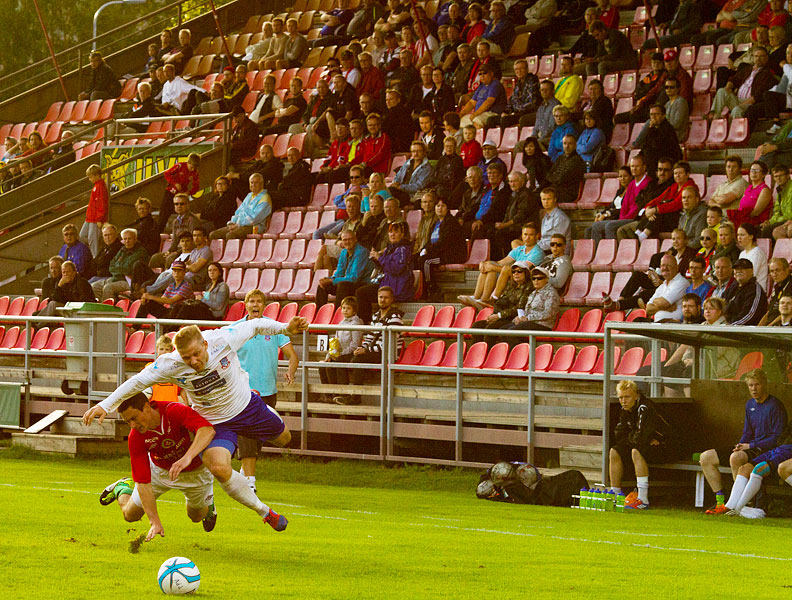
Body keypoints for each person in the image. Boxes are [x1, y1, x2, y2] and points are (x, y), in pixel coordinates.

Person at [84, 315, 310, 532]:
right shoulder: (170, 365)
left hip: (247, 408)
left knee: (285, 440)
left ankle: (266, 411)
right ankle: (265, 512)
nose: (193, 361)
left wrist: (285, 328)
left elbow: (255, 325)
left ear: (205, 343)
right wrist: (105, 405)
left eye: (196, 354)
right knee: (220, 468)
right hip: (215, 422)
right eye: (186, 358)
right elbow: (136, 382)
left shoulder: (223, 339)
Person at [97, 393, 217, 542]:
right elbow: (142, 482)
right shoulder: (135, 437)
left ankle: (209, 505)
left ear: (146, 407)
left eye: (134, 418)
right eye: (128, 422)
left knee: (196, 516)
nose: (132, 425)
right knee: (130, 515)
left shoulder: (174, 411)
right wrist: (155, 522)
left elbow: (207, 430)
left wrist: (187, 458)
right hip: (160, 472)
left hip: (196, 472)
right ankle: (122, 487)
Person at [235, 289, 299, 492]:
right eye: (251, 301)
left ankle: (242, 477)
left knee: (260, 434)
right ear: (245, 304)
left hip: (268, 390)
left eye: (259, 302)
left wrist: (290, 370)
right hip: (244, 391)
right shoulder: (236, 329)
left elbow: (292, 356)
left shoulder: (274, 328)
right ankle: (250, 483)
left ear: (264, 306)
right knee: (246, 431)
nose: (255, 305)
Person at [700, 368, 788, 515]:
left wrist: (750, 446)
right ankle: (721, 502)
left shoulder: (775, 406)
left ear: (765, 384)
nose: (754, 389)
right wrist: (740, 445)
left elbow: (777, 439)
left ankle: (742, 503)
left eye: (757, 385)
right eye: (751, 385)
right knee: (706, 457)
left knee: (735, 458)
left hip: (766, 449)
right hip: (751, 446)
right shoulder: (750, 405)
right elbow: (747, 431)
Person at [609, 379, 677, 510]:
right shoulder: (625, 409)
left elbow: (642, 436)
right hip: (645, 444)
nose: (623, 401)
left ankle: (643, 499)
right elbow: (619, 434)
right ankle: (615, 495)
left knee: (636, 450)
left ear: (636, 396)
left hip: (667, 446)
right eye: (621, 397)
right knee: (614, 451)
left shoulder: (645, 407)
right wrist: (634, 438)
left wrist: (640, 438)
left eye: (627, 397)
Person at [340, 286, 403, 405]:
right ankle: (343, 394)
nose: (383, 300)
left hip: (387, 353)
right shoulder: (376, 316)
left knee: (358, 359)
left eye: (386, 298)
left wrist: (366, 351)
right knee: (341, 359)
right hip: (373, 351)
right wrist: (362, 348)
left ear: (392, 300)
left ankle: (356, 397)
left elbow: (387, 344)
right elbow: (369, 336)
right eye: (380, 297)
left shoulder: (395, 317)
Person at [459, 222, 544, 309]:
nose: (527, 238)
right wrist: (485, 264)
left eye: (531, 235)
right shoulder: (520, 249)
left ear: (537, 236)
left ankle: (492, 298)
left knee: (505, 269)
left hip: (525, 279)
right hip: (514, 276)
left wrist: (493, 266)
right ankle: (477, 298)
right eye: (525, 234)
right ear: (521, 235)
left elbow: (523, 271)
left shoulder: (537, 252)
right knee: (490, 267)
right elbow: (500, 262)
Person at [356, 222, 414, 323]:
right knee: (359, 290)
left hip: (397, 287)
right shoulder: (391, 248)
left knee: (362, 293)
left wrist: (380, 258)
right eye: (390, 232)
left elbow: (396, 268)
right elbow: (386, 267)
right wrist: (376, 259)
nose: (392, 234)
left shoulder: (402, 249)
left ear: (402, 234)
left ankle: (365, 324)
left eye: (396, 232)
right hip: (388, 283)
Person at [470, 261, 533, 344]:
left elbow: (519, 308)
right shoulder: (511, 285)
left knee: (491, 328)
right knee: (476, 326)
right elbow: (501, 301)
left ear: (526, 273)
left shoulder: (529, 287)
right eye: (513, 272)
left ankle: (488, 353)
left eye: (519, 271)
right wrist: (494, 315)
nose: (515, 274)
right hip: (502, 316)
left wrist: (498, 316)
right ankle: (477, 352)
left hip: (513, 318)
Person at [709, 46, 776, 120]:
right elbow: (734, 79)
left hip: (750, 103)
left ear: (766, 58)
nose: (758, 58)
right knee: (722, 91)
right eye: (756, 56)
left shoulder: (768, 74)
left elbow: (758, 96)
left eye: (761, 56)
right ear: (753, 57)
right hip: (737, 100)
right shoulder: (747, 69)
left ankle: (735, 129)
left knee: (737, 109)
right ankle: (715, 117)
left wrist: (742, 104)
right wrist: (728, 87)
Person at [318, 296, 364, 402]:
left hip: (351, 353)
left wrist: (340, 354)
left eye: (348, 308)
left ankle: (341, 392)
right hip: (340, 353)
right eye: (343, 308)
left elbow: (355, 344)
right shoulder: (341, 323)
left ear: (354, 310)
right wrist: (329, 355)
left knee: (338, 361)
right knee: (324, 365)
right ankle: (328, 394)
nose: (345, 310)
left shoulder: (356, 323)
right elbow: (335, 342)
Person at [316, 230, 375, 308]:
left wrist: (332, 280)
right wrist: (328, 279)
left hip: (363, 284)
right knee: (322, 285)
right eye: (344, 240)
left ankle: (338, 313)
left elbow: (354, 278)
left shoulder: (361, 252)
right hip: (349, 283)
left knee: (343, 285)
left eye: (350, 239)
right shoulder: (344, 252)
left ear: (355, 239)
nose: (347, 242)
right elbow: (339, 273)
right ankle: (319, 313)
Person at [499, 265, 559, 341]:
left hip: (543, 325)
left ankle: (522, 351)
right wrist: (520, 318)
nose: (536, 281)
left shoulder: (551, 293)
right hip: (529, 322)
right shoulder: (533, 293)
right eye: (533, 279)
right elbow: (527, 310)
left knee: (511, 332)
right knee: (502, 330)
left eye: (539, 278)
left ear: (546, 279)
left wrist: (528, 318)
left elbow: (548, 313)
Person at [489, 171, 540, 260]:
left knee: (500, 235)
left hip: (522, 227)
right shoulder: (514, 194)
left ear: (522, 181)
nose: (512, 184)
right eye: (510, 181)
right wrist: (502, 224)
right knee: (491, 231)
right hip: (513, 226)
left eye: (515, 181)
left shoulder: (526, 195)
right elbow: (508, 213)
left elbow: (521, 216)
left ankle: (508, 260)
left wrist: (504, 225)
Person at [209, 173, 271, 240]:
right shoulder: (249, 195)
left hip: (255, 226)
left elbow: (254, 218)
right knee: (213, 235)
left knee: (230, 235)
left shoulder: (265, 197)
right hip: (239, 224)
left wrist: (238, 224)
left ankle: (234, 250)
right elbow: (239, 211)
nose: (253, 185)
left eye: (256, 183)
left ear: (262, 184)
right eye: (251, 182)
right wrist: (232, 223)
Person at [92, 228, 149, 301]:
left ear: (135, 239)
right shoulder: (122, 250)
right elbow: (111, 266)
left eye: (129, 239)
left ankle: (108, 311)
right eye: (125, 239)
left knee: (108, 288)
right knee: (95, 286)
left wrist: (119, 267)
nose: (127, 241)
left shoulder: (140, 252)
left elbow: (128, 270)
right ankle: (99, 308)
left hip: (131, 282)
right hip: (117, 278)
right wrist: (120, 271)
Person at [150, 193, 200, 269]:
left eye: (182, 204)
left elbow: (193, 242)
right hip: (178, 250)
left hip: (189, 251)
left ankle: (168, 279)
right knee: (155, 258)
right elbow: (174, 241)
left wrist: (176, 253)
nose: (179, 206)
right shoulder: (175, 221)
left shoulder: (192, 220)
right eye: (176, 204)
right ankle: (154, 279)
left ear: (187, 205)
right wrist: (169, 251)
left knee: (170, 259)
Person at [633, 105, 681, 176]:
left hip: (664, 165)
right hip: (652, 165)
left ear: (663, 115)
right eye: (651, 114)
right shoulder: (652, 129)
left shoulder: (667, 129)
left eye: (657, 114)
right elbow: (645, 147)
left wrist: (651, 129)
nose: (653, 117)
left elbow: (656, 146)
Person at [160, 153, 201, 232]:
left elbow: (196, 186)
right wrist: (175, 183)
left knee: (182, 214)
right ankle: (160, 230)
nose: (192, 169)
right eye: (191, 167)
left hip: (182, 195)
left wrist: (189, 192)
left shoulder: (195, 172)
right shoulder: (180, 166)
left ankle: (181, 231)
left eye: (195, 168)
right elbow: (167, 174)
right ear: (188, 163)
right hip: (171, 192)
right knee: (164, 214)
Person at [459, 64, 506, 129]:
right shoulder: (481, 86)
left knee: (477, 120)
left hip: (492, 114)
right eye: (480, 74)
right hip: (480, 114)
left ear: (491, 73)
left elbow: (489, 102)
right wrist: (461, 114)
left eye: (485, 73)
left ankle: (479, 138)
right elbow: (472, 103)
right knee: (462, 121)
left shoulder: (495, 84)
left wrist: (475, 114)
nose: (482, 76)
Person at [388, 141, 433, 208]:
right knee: (386, 191)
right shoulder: (408, 163)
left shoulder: (427, 168)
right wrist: (395, 183)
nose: (416, 154)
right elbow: (398, 176)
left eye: (419, 151)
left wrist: (401, 187)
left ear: (424, 152)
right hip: (400, 191)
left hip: (411, 195)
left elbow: (418, 186)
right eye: (413, 151)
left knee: (390, 193)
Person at [729, 161, 772, 231]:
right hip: (744, 220)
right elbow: (741, 207)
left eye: (757, 170)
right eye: (752, 170)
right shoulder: (749, 188)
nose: (754, 173)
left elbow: (756, 212)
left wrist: (741, 220)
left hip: (755, 222)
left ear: (763, 174)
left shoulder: (765, 190)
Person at [726, 257, 768, 325]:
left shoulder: (754, 289)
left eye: (743, 269)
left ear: (751, 271)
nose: (739, 271)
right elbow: (721, 303)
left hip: (743, 331)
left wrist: (729, 326)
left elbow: (749, 316)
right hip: (727, 326)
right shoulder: (733, 286)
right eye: (736, 269)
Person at [499, 59, 540, 127]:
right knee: (492, 119)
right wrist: (505, 112)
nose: (519, 71)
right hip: (518, 112)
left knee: (506, 120)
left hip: (530, 113)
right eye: (516, 69)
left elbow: (532, 103)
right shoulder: (518, 83)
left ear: (527, 69)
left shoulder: (533, 80)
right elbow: (512, 101)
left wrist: (516, 110)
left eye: (521, 68)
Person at [546, 137, 586, 206]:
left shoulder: (577, 160)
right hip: (557, 190)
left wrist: (554, 177)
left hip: (568, 193)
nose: (567, 146)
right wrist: (554, 177)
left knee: (544, 198)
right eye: (565, 143)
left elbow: (562, 178)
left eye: (570, 144)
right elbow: (549, 175)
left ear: (575, 145)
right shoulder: (560, 158)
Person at [81, 165, 108, 257]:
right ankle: (94, 254)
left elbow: (102, 204)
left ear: (97, 175)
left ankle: (95, 258)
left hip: (95, 219)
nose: (89, 179)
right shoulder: (97, 186)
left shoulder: (100, 187)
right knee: (82, 235)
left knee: (93, 241)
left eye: (91, 177)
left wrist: (99, 219)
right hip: (90, 218)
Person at [762, 164, 792, 239]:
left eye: (781, 175)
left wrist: (773, 223)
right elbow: (777, 212)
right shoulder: (780, 190)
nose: (778, 178)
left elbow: (789, 214)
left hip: (788, 219)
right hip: (784, 219)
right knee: (758, 229)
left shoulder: (790, 189)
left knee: (767, 231)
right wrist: (770, 222)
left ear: (788, 176)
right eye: (776, 176)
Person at [760, 258, 792, 325]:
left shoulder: (790, 286)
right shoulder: (777, 288)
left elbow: (787, 313)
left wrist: (769, 328)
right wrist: (758, 328)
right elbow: (769, 312)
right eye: (772, 271)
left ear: (786, 270)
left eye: (777, 270)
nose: (774, 274)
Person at [737, 223, 769, 291]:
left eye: (742, 235)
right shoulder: (742, 253)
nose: (739, 238)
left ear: (751, 236)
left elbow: (751, 275)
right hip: (745, 288)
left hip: (756, 290)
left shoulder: (757, 253)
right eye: (738, 235)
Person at [538, 187, 571, 252]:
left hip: (555, 251)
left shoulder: (560, 217)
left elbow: (557, 241)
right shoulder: (545, 217)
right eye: (543, 199)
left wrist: (535, 246)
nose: (546, 202)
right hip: (544, 248)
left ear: (555, 199)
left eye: (549, 199)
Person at [435, 136, 465, 202]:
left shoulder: (458, 160)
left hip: (451, 188)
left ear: (455, 147)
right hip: (439, 186)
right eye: (447, 146)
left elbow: (459, 177)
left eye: (451, 146)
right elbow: (436, 174)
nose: (449, 148)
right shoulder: (441, 159)